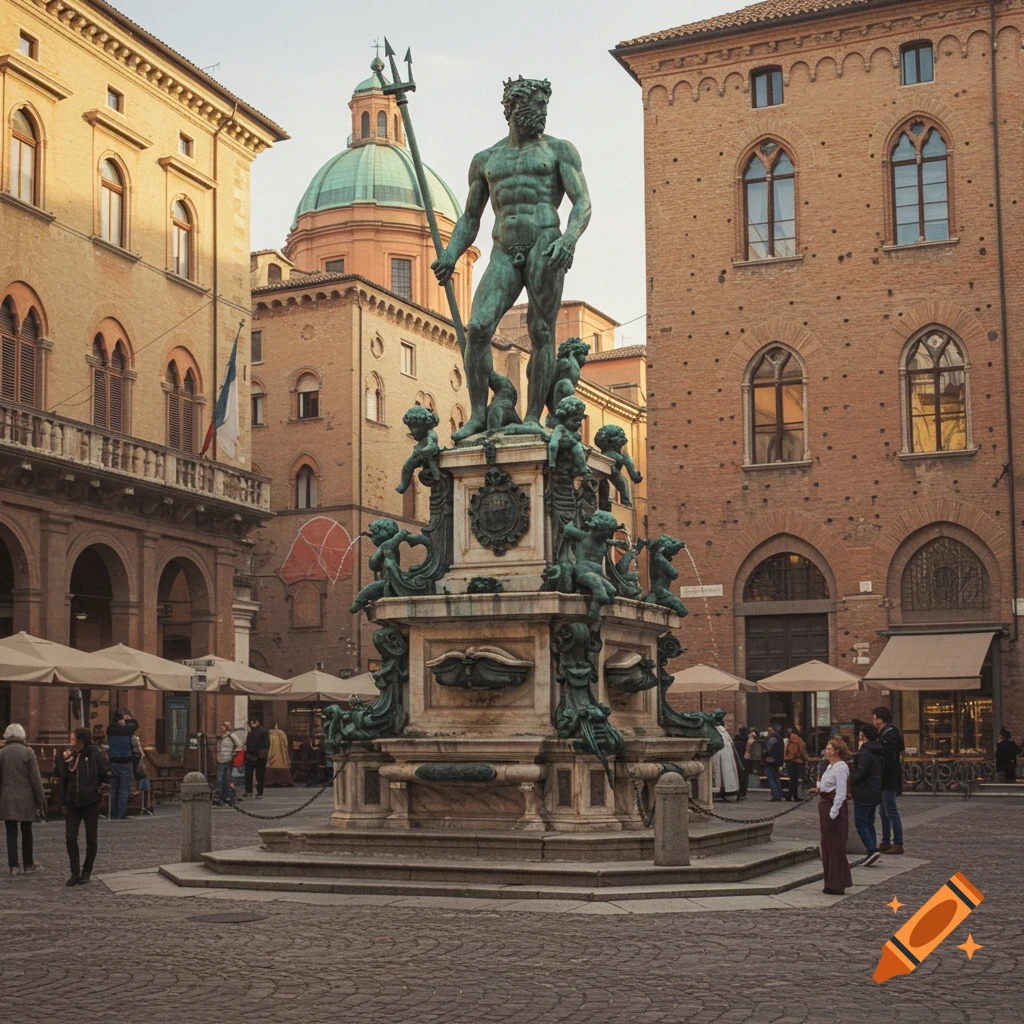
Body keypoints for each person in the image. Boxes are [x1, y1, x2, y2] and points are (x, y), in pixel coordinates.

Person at [432, 76, 592, 439]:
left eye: (545, 106)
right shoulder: (486, 160)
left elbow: (582, 201)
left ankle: (533, 416)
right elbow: (471, 217)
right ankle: (476, 415)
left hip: (545, 243)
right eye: (537, 105)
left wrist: (569, 239)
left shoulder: (559, 150)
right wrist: (451, 254)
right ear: (514, 107)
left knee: (540, 331)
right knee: (477, 328)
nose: (543, 112)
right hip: (503, 249)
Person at [57, 726, 109, 886]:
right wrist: (62, 761)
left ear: (81, 740)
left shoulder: (95, 754)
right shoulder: (69, 755)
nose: (71, 741)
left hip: (90, 802)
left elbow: (105, 775)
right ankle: (74, 871)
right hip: (72, 802)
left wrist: (96, 790)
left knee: (91, 839)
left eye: (73, 739)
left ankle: (87, 871)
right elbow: (63, 775)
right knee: (70, 837)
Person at [0, 723, 46, 878]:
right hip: (26, 798)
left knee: (11, 833)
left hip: (7, 798)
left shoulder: (2, 753)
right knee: (27, 832)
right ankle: (28, 863)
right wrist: (41, 799)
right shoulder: (28, 753)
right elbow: (35, 778)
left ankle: (13, 866)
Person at [809, 737, 853, 895]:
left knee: (835, 845)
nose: (826, 751)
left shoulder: (841, 767)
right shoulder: (829, 766)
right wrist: (818, 788)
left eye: (828, 748)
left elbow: (841, 792)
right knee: (827, 844)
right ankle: (830, 881)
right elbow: (827, 785)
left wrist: (833, 812)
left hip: (833, 808)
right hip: (825, 804)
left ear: (836, 751)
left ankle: (837, 882)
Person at [871, 706, 905, 854]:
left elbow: (889, 758)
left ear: (880, 719)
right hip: (885, 779)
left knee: (891, 810)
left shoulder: (889, 735)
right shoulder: (887, 733)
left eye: (874, 718)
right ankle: (885, 841)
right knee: (883, 811)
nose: (873, 722)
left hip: (888, 778)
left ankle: (898, 842)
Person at [851, 724, 884, 866]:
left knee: (861, 822)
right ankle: (872, 849)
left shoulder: (865, 752)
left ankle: (871, 850)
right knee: (869, 822)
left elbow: (861, 772)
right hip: (875, 790)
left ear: (863, 736)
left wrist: (850, 778)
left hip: (864, 791)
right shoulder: (878, 750)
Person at [105, 707, 138, 820]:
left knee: (114, 788)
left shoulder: (110, 729)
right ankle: (121, 813)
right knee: (124, 789)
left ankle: (113, 812)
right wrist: (127, 720)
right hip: (125, 762)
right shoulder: (127, 729)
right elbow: (135, 723)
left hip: (113, 761)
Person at [215, 722, 240, 806]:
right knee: (220, 780)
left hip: (228, 760)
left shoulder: (231, 736)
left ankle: (231, 797)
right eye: (221, 727)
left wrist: (234, 753)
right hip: (220, 760)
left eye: (223, 728)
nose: (221, 729)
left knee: (228, 780)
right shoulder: (220, 737)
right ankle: (220, 797)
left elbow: (239, 745)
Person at [244, 718, 269, 799]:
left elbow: (265, 744)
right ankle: (251, 791)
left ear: (257, 722)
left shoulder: (262, 732)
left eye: (252, 723)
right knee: (250, 774)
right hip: (252, 755)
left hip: (258, 756)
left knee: (259, 775)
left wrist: (256, 752)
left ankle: (257, 792)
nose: (251, 724)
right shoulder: (251, 732)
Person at [784, 727, 808, 802]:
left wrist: (786, 758)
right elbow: (804, 753)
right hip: (799, 762)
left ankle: (791, 796)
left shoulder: (792, 742)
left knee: (792, 780)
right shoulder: (801, 741)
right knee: (794, 780)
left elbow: (792, 754)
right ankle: (792, 795)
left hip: (793, 762)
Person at [130, 733, 152, 816]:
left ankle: (145, 805)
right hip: (135, 768)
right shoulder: (132, 740)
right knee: (142, 780)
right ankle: (144, 805)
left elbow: (141, 754)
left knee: (144, 780)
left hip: (137, 769)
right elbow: (141, 754)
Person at [762, 726, 785, 801]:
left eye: (770, 730)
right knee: (776, 778)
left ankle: (775, 795)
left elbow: (767, 749)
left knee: (771, 779)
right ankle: (779, 794)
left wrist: (764, 757)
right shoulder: (780, 739)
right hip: (777, 761)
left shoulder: (772, 739)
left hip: (771, 761)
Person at [266, 722, 292, 788]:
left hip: (271, 758)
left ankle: (270, 782)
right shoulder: (282, 734)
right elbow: (286, 744)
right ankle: (283, 782)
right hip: (282, 758)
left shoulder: (268, 734)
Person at [734, 728, 750, 800]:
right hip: (744, 761)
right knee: (744, 778)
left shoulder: (735, 741)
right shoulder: (746, 741)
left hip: (737, 760)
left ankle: (738, 792)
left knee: (738, 777)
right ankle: (742, 793)